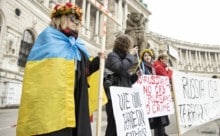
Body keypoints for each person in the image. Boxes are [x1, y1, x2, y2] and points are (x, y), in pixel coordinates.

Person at [17, 2, 104, 136]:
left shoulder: (78, 45)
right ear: (60, 19)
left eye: (78, 21)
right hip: (54, 103)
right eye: (72, 19)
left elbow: (85, 71)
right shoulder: (48, 39)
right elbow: (39, 75)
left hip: (76, 100)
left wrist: (99, 60)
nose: (76, 23)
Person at [104, 34, 139, 136]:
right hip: (114, 98)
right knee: (113, 127)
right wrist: (131, 55)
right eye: (129, 46)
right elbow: (120, 68)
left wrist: (136, 76)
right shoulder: (112, 56)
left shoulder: (124, 58)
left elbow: (126, 81)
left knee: (121, 127)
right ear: (125, 45)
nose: (130, 49)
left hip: (123, 98)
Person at [153, 53, 172, 136]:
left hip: (160, 95)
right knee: (161, 118)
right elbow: (166, 78)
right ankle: (160, 134)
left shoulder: (161, 67)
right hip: (159, 95)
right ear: (161, 59)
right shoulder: (159, 67)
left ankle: (162, 133)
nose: (167, 60)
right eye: (166, 59)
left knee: (161, 118)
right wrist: (170, 71)